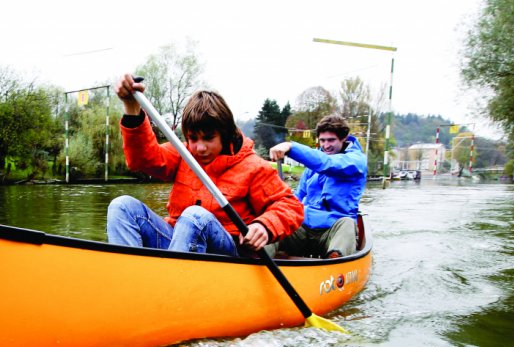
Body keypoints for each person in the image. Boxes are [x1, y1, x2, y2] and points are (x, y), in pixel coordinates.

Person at [107, 74, 303, 257]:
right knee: (122, 206)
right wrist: (131, 107)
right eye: (193, 138)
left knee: (196, 216)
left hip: (227, 253)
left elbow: (291, 206)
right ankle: (130, 278)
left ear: (225, 135)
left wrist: (265, 226)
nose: (199, 148)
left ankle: (172, 284)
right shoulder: (183, 154)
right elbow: (142, 159)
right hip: (178, 244)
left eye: (208, 138)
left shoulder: (254, 167)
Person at [268, 114, 367, 259]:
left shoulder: (356, 161)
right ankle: (256, 260)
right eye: (322, 140)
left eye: (331, 140)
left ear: (344, 138)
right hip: (305, 229)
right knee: (276, 222)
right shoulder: (313, 163)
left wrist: (291, 147)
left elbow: (327, 163)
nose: (326, 145)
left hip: (334, 229)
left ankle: (334, 264)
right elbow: (297, 198)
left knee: (347, 224)